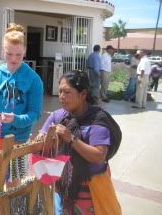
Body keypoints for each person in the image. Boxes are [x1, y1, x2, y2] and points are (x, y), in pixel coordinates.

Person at [37, 70, 121, 215]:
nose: (62, 97)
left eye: (67, 92)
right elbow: (40, 140)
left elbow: (98, 156)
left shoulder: (97, 120)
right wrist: (42, 141)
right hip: (62, 188)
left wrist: (71, 139)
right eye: (60, 92)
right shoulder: (58, 116)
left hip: (91, 191)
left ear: (83, 94)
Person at [0, 23, 43, 182]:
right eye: (9, 54)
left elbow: (35, 114)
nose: (13, 59)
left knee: (15, 186)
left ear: (25, 51)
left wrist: (16, 119)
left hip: (18, 140)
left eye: (18, 55)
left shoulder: (34, 79)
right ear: (3, 50)